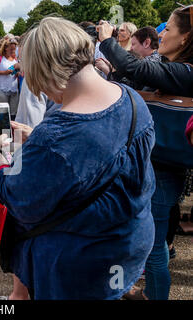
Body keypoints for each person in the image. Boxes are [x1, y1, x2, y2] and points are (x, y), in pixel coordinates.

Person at [0, 17, 155, 300]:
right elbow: (102, 158)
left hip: (80, 264)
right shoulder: (131, 97)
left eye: (38, 82)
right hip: (130, 244)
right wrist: (39, 141)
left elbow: (21, 201)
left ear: (46, 71)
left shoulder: (57, 136)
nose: (42, 92)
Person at [97, 4, 193, 300]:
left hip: (164, 171)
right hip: (147, 165)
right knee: (141, 240)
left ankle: (155, 296)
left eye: (169, 30)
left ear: (186, 39)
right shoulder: (167, 68)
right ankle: (133, 289)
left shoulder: (187, 72)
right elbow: (126, 83)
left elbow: (136, 68)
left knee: (153, 247)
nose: (161, 34)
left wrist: (107, 41)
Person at [0, 38, 19, 118]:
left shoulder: (15, 58)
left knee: (13, 112)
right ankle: (3, 129)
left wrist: (17, 73)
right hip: (1, 88)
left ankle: (12, 129)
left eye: (14, 48)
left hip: (13, 88)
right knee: (4, 111)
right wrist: (5, 72)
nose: (13, 50)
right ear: (5, 48)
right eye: (11, 48)